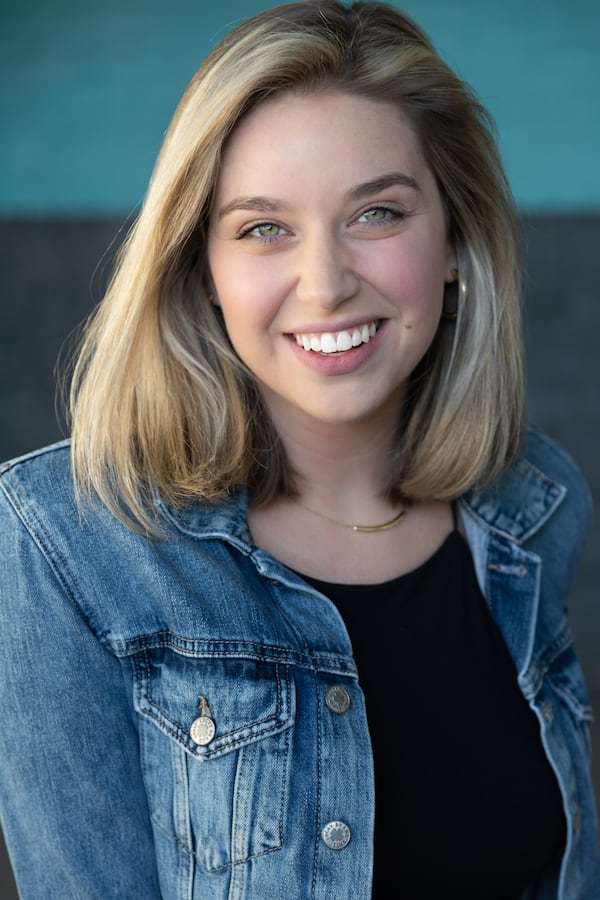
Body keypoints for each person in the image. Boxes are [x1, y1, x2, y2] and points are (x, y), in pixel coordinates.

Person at [0, 2, 597, 897]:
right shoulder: (64, 542)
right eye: (263, 227)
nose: (325, 283)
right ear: (202, 268)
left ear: (455, 242)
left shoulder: (533, 503)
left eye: (378, 213)